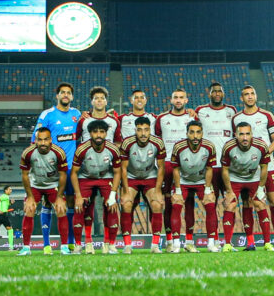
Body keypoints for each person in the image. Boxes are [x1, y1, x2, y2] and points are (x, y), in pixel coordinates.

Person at [232, 85, 274, 250]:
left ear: (255, 96)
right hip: (246, 169)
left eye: (252, 94)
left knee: (273, 200)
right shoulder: (236, 118)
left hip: (267, 166)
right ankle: (250, 242)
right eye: (246, 94)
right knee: (247, 202)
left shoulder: (266, 115)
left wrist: (264, 153)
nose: (249, 97)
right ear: (242, 98)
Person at [32, 82, 82, 252]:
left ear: (72, 97)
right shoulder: (47, 115)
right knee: (48, 203)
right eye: (62, 93)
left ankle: (68, 243)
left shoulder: (77, 114)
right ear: (57, 96)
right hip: (52, 168)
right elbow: (35, 141)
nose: (65, 95)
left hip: (71, 168)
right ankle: (46, 245)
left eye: (68, 93)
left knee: (69, 203)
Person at [193, 82, 236, 249]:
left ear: (223, 94)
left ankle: (228, 242)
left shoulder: (231, 111)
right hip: (209, 166)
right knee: (211, 203)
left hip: (228, 167)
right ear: (209, 94)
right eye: (214, 91)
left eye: (220, 91)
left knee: (230, 203)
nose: (217, 94)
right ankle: (214, 240)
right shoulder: (200, 111)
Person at [221, 122, 274, 251]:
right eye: (241, 134)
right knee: (231, 205)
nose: (244, 138)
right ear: (236, 135)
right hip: (234, 179)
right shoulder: (228, 147)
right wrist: (229, 191)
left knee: (259, 204)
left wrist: (261, 188)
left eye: (247, 134)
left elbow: (264, 168)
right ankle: (227, 244)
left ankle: (267, 243)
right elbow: (224, 170)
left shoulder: (261, 146)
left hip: (253, 178)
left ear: (252, 134)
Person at [71, 119, 122, 254]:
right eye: (95, 132)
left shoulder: (113, 149)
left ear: (106, 133)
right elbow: (74, 173)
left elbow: (117, 172)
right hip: (86, 178)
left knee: (111, 207)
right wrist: (78, 196)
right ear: (90, 133)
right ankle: (82, 244)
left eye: (102, 132)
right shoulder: (82, 149)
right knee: (79, 207)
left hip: (106, 178)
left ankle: (109, 244)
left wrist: (112, 196)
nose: (98, 135)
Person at [169, 120, 220, 252]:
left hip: (201, 181)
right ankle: (176, 245)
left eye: (198, 132)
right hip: (184, 182)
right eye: (192, 132)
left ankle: (211, 243)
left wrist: (208, 189)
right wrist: (178, 190)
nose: (195, 136)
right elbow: (175, 169)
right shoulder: (178, 147)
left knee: (210, 204)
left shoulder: (209, 147)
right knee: (176, 204)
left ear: (202, 133)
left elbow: (209, 168)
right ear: (187, 133)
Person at [18, 127, 70, 256]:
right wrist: (29, 196)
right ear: (35, 140)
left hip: (53, 185)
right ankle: (25, 248)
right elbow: (24, 175)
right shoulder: (28, 153)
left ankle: (64, 247)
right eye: (39, 140)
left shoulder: (59, 153)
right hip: (35, 185)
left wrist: (59, 196)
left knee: (61, 208)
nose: (42, 143)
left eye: (46, 139)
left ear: (51, 140)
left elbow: (63, 175)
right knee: (29, 209)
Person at [119, 116, 166, 254]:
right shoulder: (127, 143)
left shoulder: (158, 142)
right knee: (126, 204)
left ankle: (155, 245)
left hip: (150, 176)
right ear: (135, 130)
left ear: (150, 130)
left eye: (146, 130)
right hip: (131, 177)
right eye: (140, 130)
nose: (143, 133)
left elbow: (161, 167)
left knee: (157, 204)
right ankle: (127, 245)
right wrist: (126, 190)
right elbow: (123, 168)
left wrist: (157, 190)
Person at [154, 88, 192, 246]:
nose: (178, 100)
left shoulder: (192, 117)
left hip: (188, 165)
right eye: (175, 97)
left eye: (181, 97)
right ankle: (170, 240)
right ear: (171, 100)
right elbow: (157, 142)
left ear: (186, 100)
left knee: (188, 201)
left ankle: (189, 241)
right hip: (168, 164)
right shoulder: (161, 118)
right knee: (169, 203)